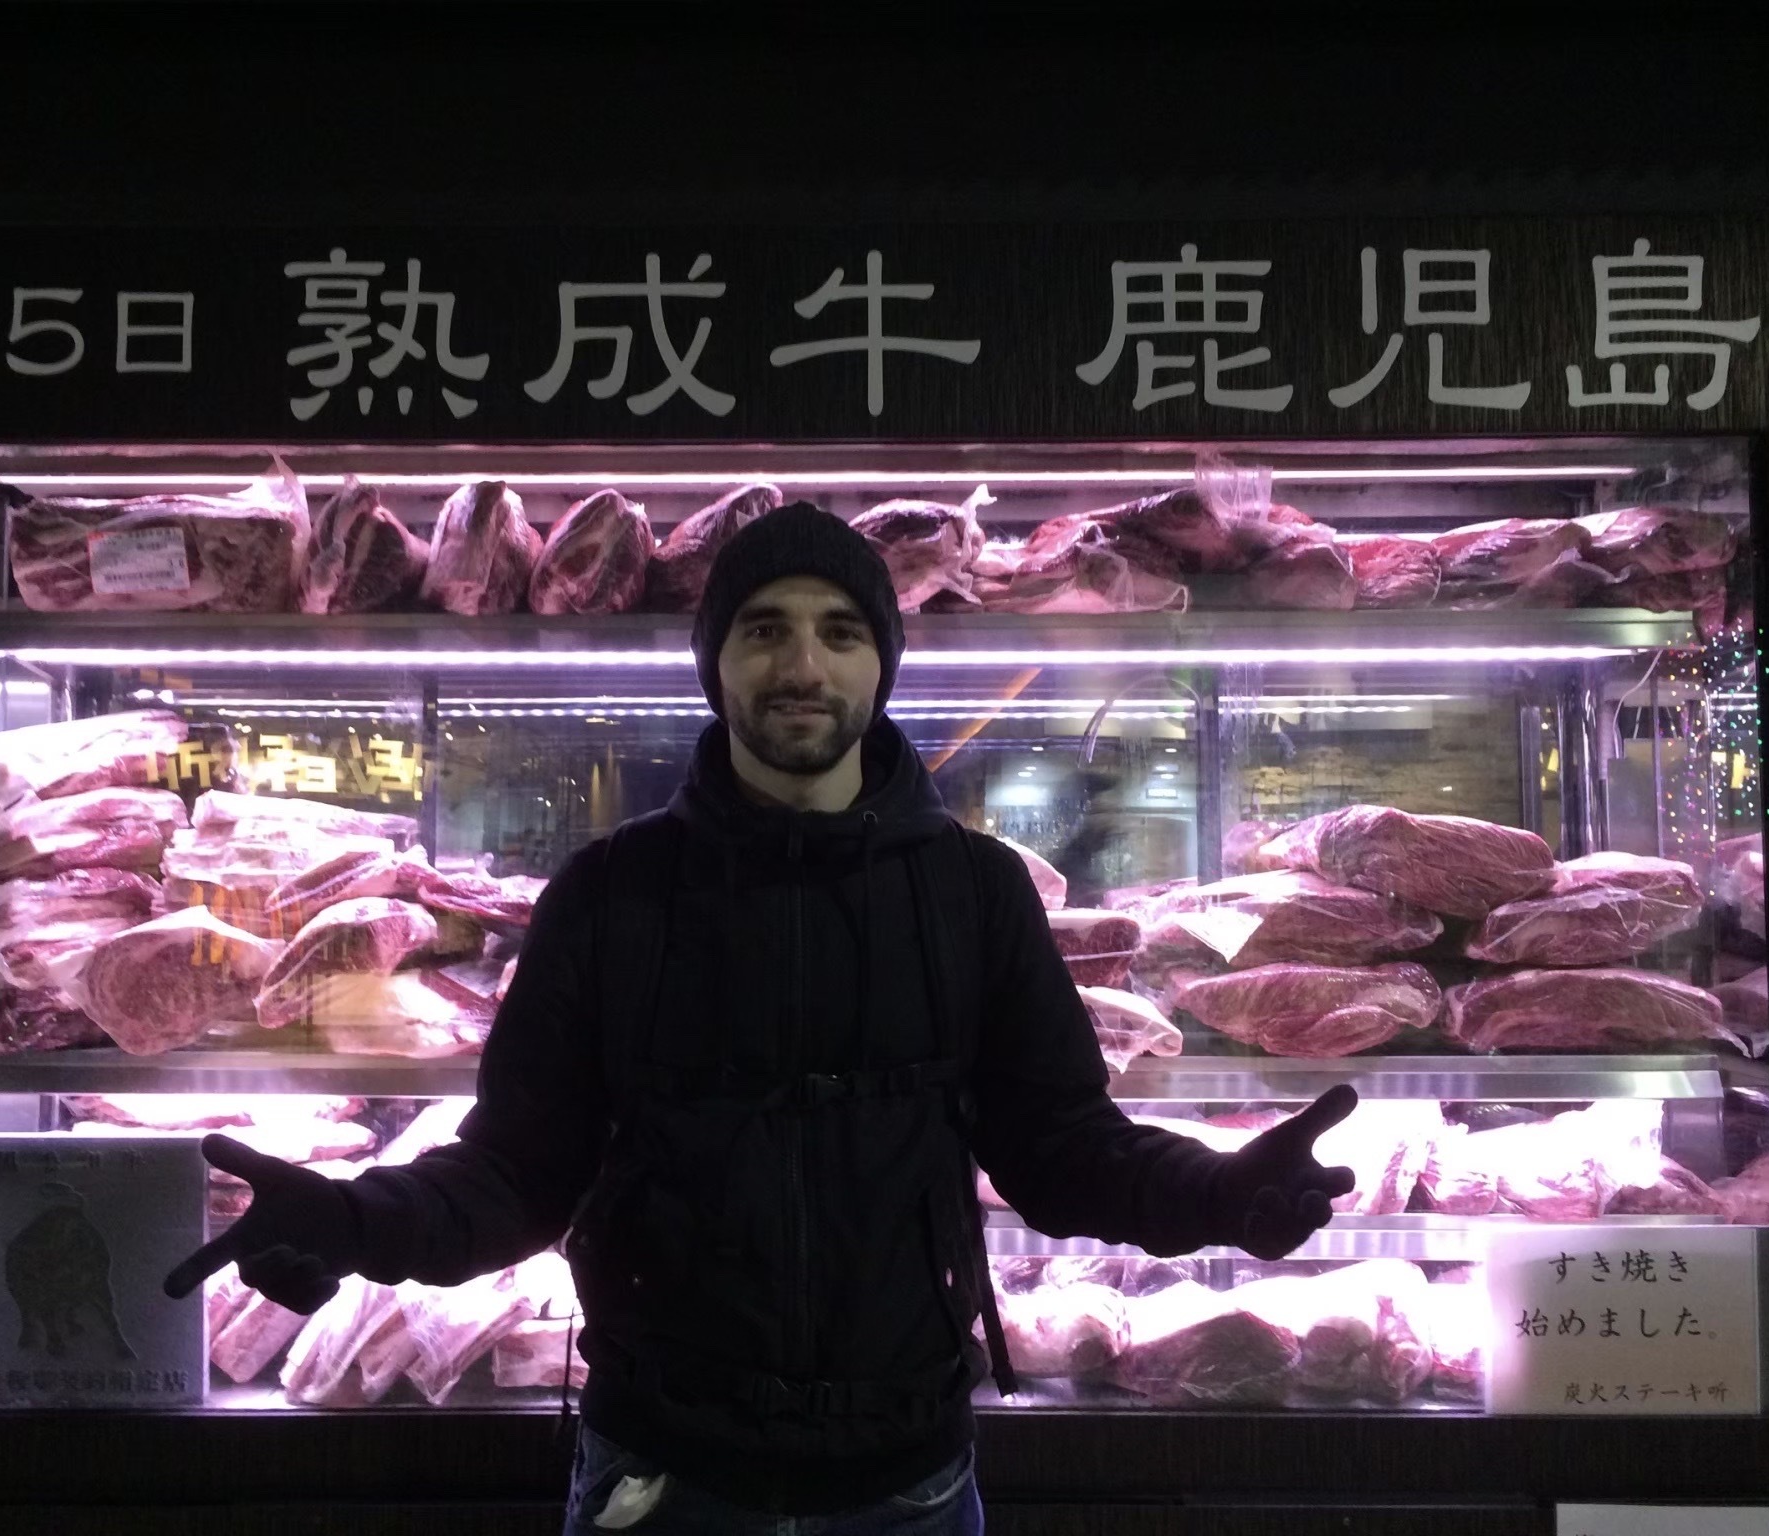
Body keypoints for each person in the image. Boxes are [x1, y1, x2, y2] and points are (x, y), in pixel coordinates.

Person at [165, 504, 1358, 1533]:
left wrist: (1213, 1192)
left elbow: (1060, 1151)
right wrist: (353, 1218)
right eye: (764, 629)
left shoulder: (969, 889)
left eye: (840, 632)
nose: (803, 665)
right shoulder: (612, 892)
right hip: (663, 1474)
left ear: (880, 664)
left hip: (906, 1480)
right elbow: (517, 1173)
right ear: (715, 660)